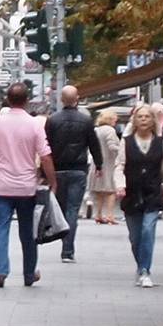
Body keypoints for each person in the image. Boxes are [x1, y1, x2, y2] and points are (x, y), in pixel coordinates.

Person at [0, 82, 55, 287]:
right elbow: (46, 157)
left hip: (1, 186)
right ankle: (29, 273)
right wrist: (52, 182)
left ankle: (0, 272)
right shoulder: (34, 124)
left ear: (8, 100)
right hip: (26, 187)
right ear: (27, 100)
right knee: (28, 232)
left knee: (0, 229)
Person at [43, 85, 96, 263]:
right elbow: (93, 144)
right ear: (77, 99)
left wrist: (44, 171)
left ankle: (62, 239)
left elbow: (46, 147)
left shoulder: (52, 121)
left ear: (61, 100)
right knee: (72, 210)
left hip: (57, 169)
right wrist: (100, 164)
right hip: (78, 169)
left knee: (61, 207)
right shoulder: (86, 120)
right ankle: (68, 250)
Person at [121, 103, 163, 287]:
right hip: (131, 193)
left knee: (148, 230)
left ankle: (145, 270)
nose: (143, 120)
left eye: (147, 117)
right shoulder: (126, 142)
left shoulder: (161, 143)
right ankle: (140, 265)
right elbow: (120, 166)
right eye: (140, 117)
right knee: (135, 237)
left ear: (153, 121)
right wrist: (120, 185)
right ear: (134, 120)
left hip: (152, 193)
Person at [90, 106, 125, 225]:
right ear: (110, 119)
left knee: (99, 191)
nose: (115, 121)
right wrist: (121, 149)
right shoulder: (110, 130)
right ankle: (110, 216)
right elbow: (111, 146)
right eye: (114, 119)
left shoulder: (96, 130)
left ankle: (98, 214)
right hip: (109, 164)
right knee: (111, 191)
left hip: (97, 164)